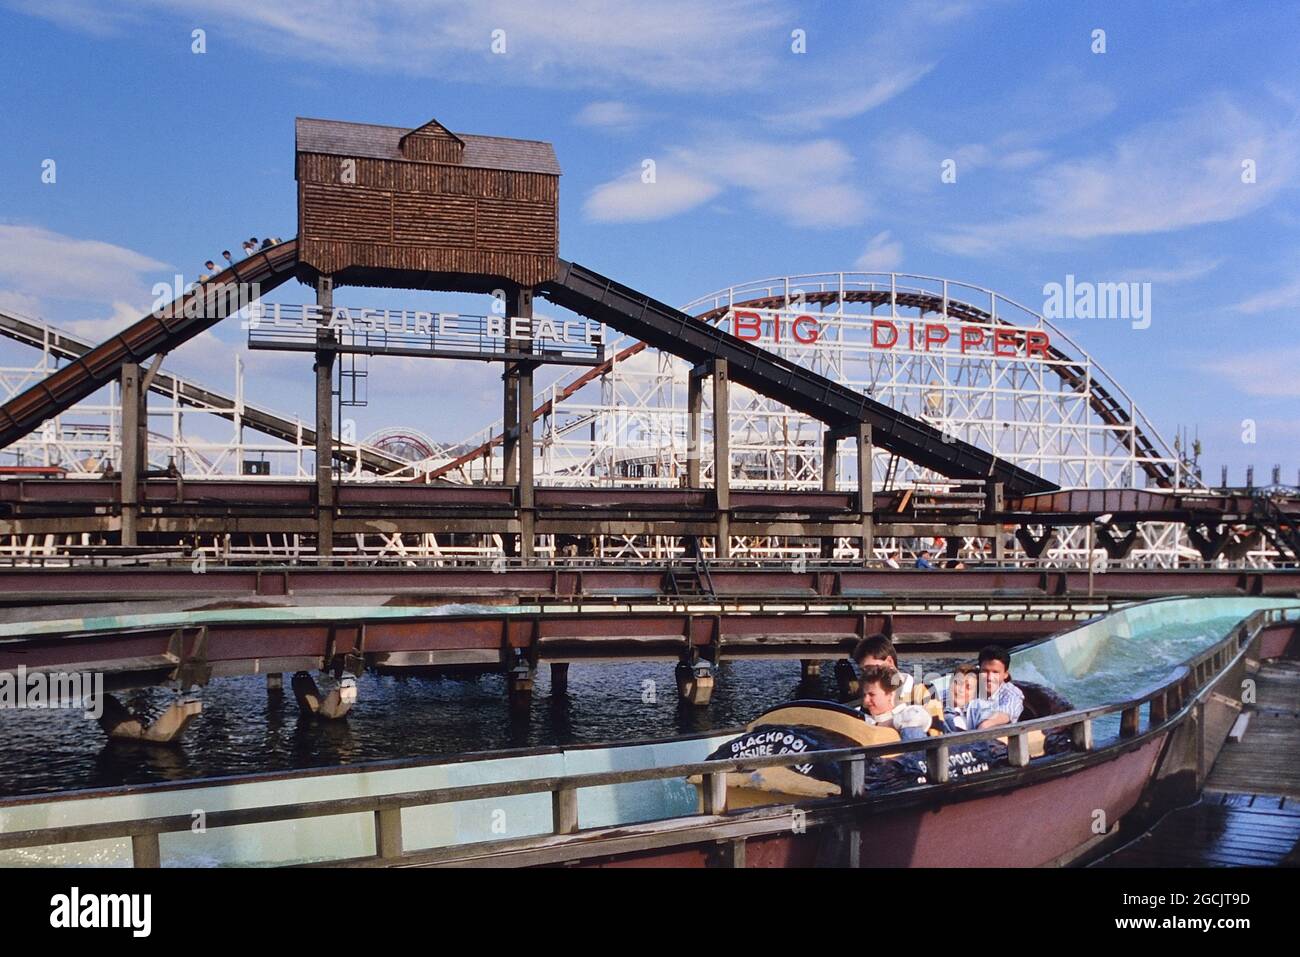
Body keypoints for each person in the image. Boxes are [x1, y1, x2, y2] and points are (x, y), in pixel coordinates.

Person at [852, 632, 929, 705]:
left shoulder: (922, 692)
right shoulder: (869, 697)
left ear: (889, 661)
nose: (867, 674)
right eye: (863, 671)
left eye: (871, 668)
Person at [858, 666, 932, 741]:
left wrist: (887, 724)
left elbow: (919, 716)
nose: (865, 700)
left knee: (913, 730)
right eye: (864, 695)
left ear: (890, 695)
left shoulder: (907, 714)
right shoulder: (865, 719)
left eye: (872, 695)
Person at [974, 644, 1024, 728]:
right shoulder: (969, 687)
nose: (989, 677)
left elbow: (1007, 712)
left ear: (1005, 674)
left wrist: (986, 724)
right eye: (985, 671)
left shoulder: (1012, 693)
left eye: (995, 672)